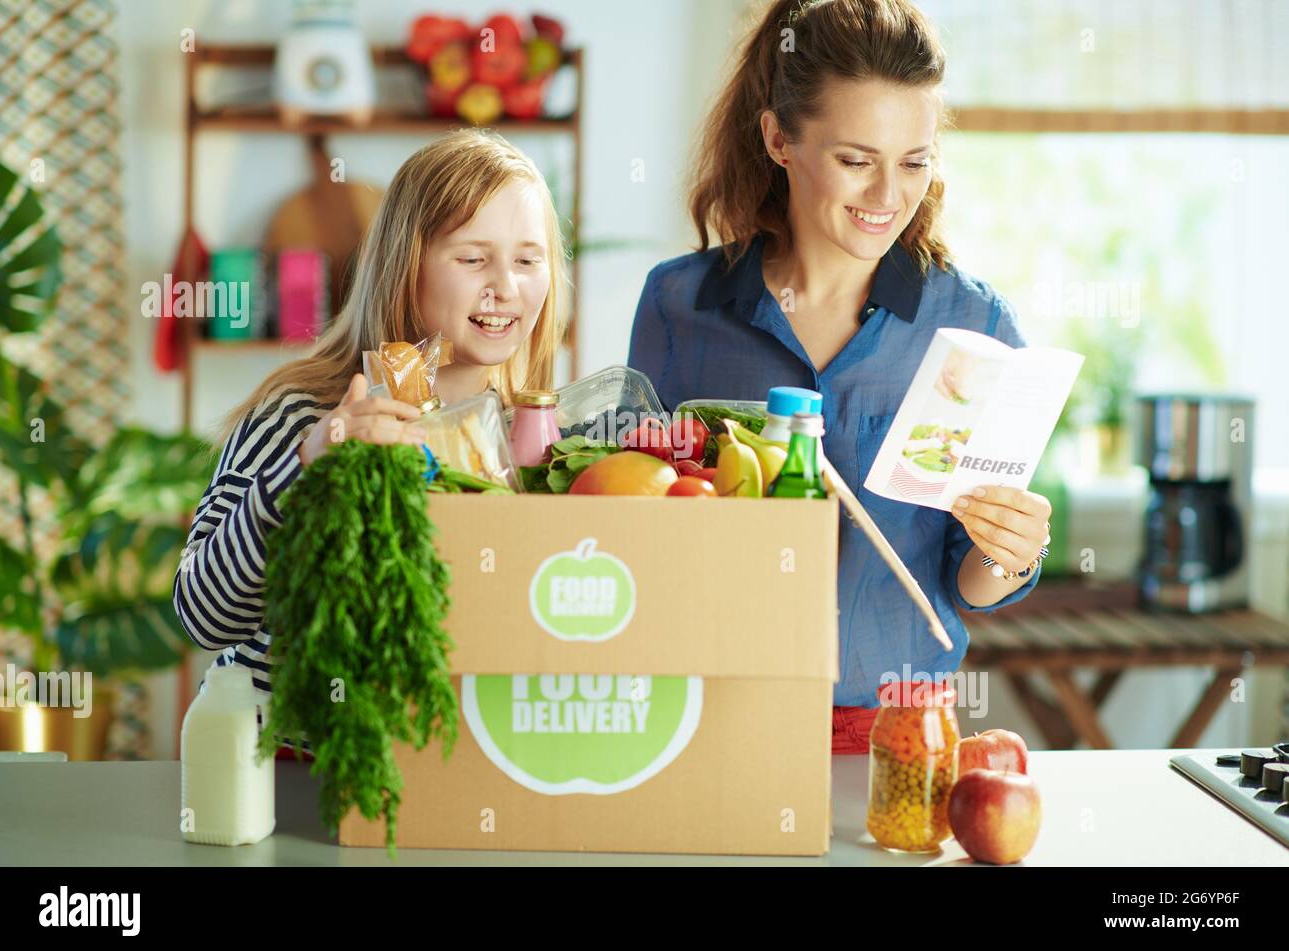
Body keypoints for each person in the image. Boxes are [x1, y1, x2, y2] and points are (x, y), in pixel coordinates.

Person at [627, 0, 1052, 753]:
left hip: (895, 736)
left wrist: (1009, 547)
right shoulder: (677, 305)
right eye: (856, 161)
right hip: (705, 722)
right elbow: (638, 529)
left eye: (914, 162)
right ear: (779, 139)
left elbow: (971, 585)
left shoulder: (975, 330)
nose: (888, 197)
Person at [174, 129, 567, 699]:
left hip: (444, 767)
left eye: (528, 260)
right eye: (473, 258)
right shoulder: (304, 414)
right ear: (405, 265)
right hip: (289, 761)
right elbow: (203, 616)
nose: (504, 286)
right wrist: (306, 466)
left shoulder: (531, 437)